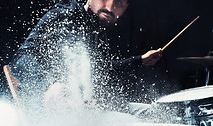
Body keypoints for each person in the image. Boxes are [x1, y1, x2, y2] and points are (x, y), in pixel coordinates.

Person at [10, 0, 164, 112]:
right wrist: (48, 85)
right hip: (54, 120)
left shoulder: (98, 32)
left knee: (149, 112)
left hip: (85, 113)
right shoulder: (63, 16)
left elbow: (100, 69)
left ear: (125, 8)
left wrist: (139, 60)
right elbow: (21, 58)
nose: (110, 7)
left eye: (118, 2)